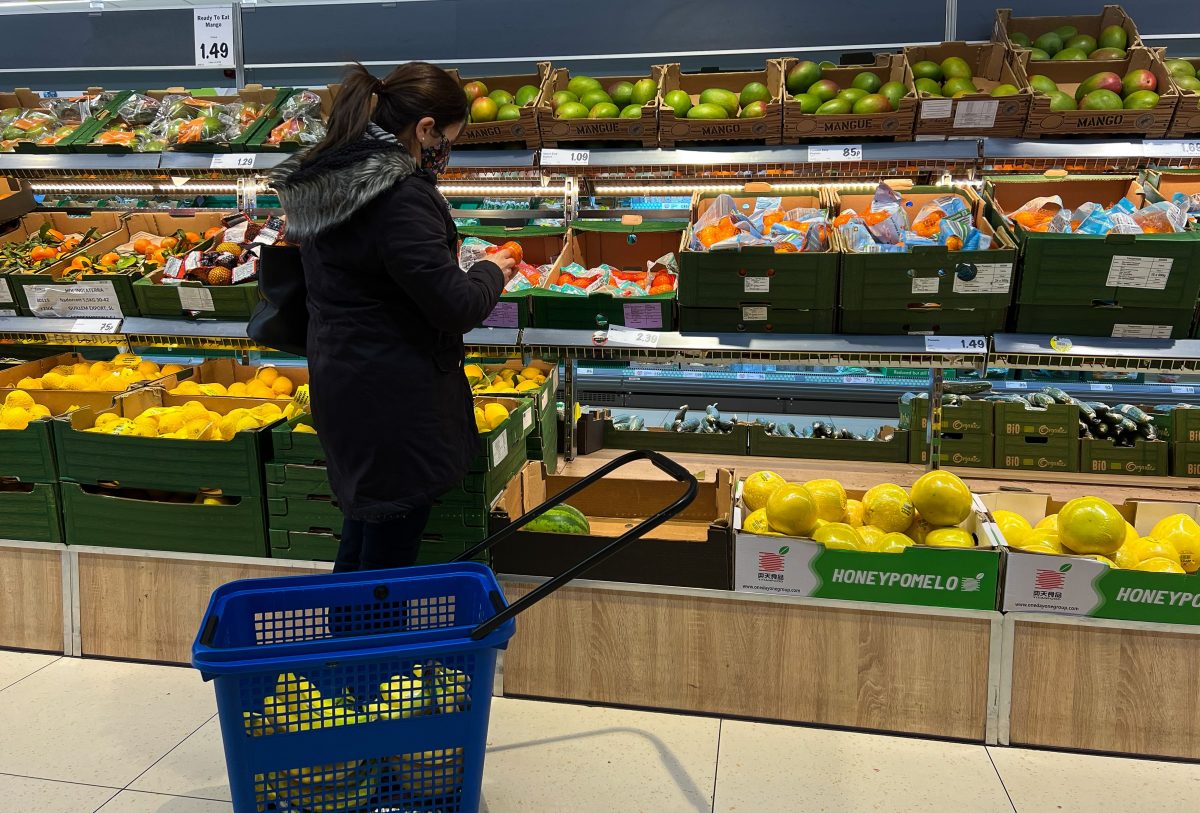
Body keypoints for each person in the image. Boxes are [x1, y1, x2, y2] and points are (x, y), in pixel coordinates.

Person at [271, 62, 518, 572]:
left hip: (348, 382)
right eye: (449, 139)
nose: (446, 153)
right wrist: (493, 271)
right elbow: (455, 307)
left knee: (365, 536)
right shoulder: (400, 196)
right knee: (388, 563)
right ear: (425, 129)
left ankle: (348, 648)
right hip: (393, 398)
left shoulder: (335, 177)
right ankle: (373, 651)